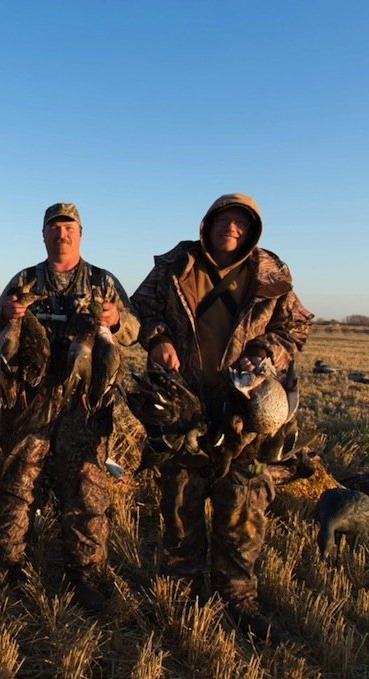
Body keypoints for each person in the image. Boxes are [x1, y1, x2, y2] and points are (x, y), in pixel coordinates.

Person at [131, 193, 312, 639]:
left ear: (251, 232)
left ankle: (238, 598)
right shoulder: (176, 265)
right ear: (208, 223)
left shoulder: (271, 275)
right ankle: (182, 591)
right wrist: (156, 340)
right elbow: (141, 311)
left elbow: (297, 328)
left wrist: (263, 353)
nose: (231, 227)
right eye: (224, 219)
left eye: (240, 223)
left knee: (243, 501)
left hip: (245, 407)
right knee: (180, 500)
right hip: (184, 398)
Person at [0, 202, 138, 611]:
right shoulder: (25, 279)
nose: (61, 234)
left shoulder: (102, 281)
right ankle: (6, 560)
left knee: (86, 487)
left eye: (68, 227)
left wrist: (117, 319)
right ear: (44, 235)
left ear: (80, 234)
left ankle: (86, 573)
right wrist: (7, 312)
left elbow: (134, 330)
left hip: (84, 402)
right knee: (15, 479)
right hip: (32, 398)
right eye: (54, 228)